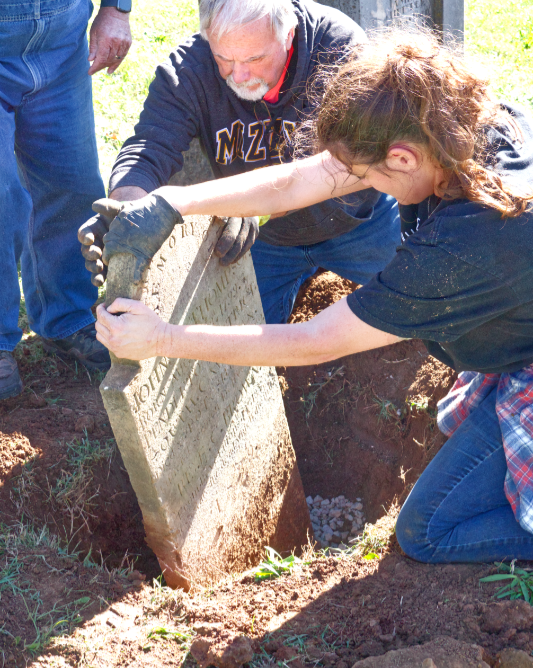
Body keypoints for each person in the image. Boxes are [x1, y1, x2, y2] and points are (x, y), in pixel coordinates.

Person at [94, 29, 533, 566]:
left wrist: (163, 337)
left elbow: (315, 340)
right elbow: (304, 180)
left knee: (427, 532)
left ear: (400, 158)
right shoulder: (458, 120)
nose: (360, 184)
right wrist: (172, 203)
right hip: (516, 328)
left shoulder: (469, 244)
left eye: (368, 176)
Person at [79, 0, 400, 326]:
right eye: (223, 58)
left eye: (255, 58)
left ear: (288, 34)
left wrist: (248, 207)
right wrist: (128, 210)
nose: (239, 75)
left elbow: (347, 165)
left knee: (423, 302)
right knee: (230, 345)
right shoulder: (191, 70)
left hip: (355, 221)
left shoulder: (341, 51)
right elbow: (148, 150)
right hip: (264, 242)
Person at [0, 0, 132, 401]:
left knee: (72, 184)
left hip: (61, 40)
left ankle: (67, 315)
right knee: (3, 201)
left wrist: (116, 8)